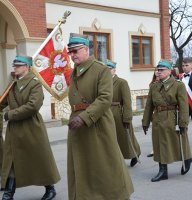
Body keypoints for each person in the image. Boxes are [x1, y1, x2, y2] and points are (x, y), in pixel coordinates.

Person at [67, 33, 134, 200]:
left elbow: (105, 98)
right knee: (82, 165)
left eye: (75, 51)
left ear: (85, 49)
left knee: (104, 164)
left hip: (97, 123)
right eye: (70, 52)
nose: (72, 55)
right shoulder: (73, 73)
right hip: (77, 125)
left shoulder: (101, 69)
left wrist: (83, 117)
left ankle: (117, 195)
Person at [0, 55, 60, 200]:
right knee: (11, 161)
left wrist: (10, 114)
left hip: (32, 127)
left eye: (18, 66)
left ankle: (50, 188)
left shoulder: (35, 84)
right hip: (15, 130)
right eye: (14, 66)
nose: (15, 68)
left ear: (26, 67)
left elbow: (33, 106)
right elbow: (3, 101)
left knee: (40, 160)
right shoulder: (12, 84)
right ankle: (8, 194)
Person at [142, 59, 192, 182]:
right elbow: (149, 106)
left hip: (172, 118)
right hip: (158, 119)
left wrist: (183, 123)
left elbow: (184, 106)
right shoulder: (154, 86)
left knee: (179, 141)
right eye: (157, 70)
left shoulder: (178, 85)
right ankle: (163, 171)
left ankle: (187, 159)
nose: (158, 72)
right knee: (159, 145)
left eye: (161, 70)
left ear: (169, 71)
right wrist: (145, 122)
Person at [105, 59, 141, 167]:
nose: (107, 71)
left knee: (125, 136)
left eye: (109, 69)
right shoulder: (102, 83)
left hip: (118, 113)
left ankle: (135, 153)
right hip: (106, 113)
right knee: (110, 137)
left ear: (114, 70)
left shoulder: (121, 82)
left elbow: (127, 102)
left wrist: (127, 118)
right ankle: (114, 159)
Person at [180, 57, 192, 142]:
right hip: (184, 107)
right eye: (183, 65)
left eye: (186, 65)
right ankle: (184, 150)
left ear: (191, 65)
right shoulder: (180, 78)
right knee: (182, 127)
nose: (184, 67)